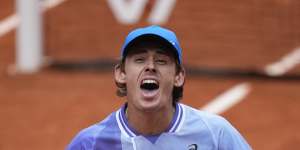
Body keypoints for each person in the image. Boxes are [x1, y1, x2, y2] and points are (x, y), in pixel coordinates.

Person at [67, 25, 251, 150]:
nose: (151, 66)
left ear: (179, 76)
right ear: (121, 74)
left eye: (162, 61)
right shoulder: (91, 143)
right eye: (139, 59)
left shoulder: (216, 134)